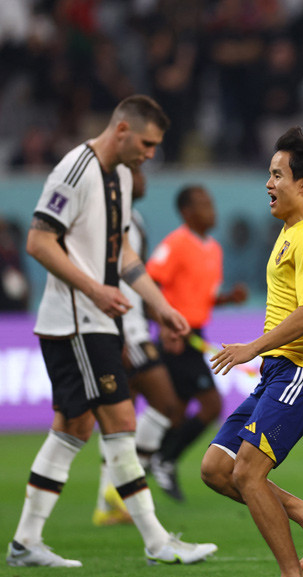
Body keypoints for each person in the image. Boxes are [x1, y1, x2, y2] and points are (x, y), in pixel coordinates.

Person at [7, 95, 217, 567]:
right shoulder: (73, 171)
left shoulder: (120, 176)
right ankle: (157, 540)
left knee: (74, 426)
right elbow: (39, 241)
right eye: (146, 144)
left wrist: (160, 305)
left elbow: (121, 251)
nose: (150, 154)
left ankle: (25, 542)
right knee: (121, 421)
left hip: (97, 319)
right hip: (78, 320)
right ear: (121, 130)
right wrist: (95, 289)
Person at [199, 127, 303, 577]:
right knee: (217, 469)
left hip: (302, 370)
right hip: (277, 372)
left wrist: (252, 347)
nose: (268, 184)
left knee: (247, 472)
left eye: (277, 174)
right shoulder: (290, 232)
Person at [142, 184, 249, 502]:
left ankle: (146, 463)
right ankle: (163, 459)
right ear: (187, 212)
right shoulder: (175, 244)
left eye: (211, 203)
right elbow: (148, 286)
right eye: (203, 204)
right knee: (211, 405)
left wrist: (227, 299)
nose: (211, 210)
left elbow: (200, 298)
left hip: (195, 335)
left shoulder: (213, 248)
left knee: (174, 411)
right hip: (177, 337)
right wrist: (164, 325)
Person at [92, 164, 185, 527]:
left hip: (135, 324)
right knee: (166, 404)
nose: (146, 179)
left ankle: (109, 501)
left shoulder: (134, 218)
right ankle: (122, 490)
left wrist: (159, 315)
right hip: (123, 328)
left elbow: (136, 276)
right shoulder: (109, 217)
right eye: (139, 173)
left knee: (123, 415)